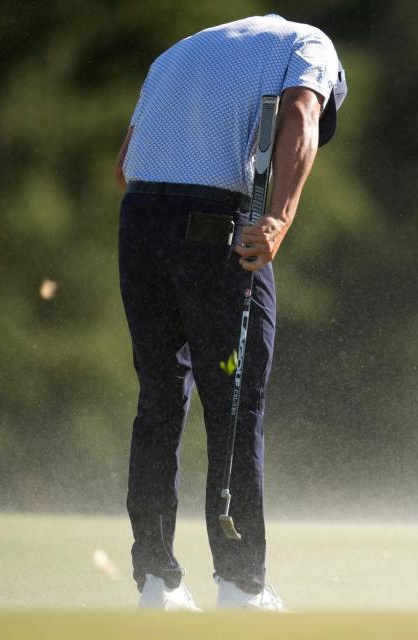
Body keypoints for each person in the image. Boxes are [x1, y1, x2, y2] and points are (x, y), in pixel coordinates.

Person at [114, 14, 347, 611]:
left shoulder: (178, 51)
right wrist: (280, 218)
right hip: (213, 228)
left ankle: (155, 583)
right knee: (236, 404)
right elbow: (301, 114)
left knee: (159, 400)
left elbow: (125, 164)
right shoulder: (309, 45)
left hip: (138, 222)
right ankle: (241, 585)